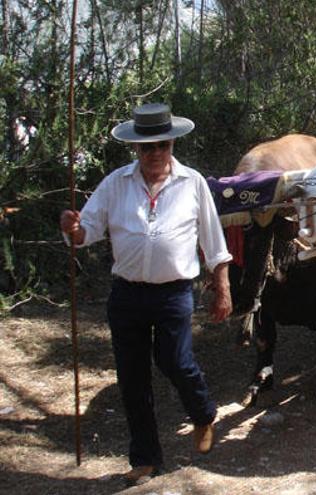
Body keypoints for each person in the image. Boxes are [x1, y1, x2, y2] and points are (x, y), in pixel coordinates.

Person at [59, 103, 232, 485]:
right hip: (126, 296)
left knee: (175, 361)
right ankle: (146, 459)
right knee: (132, 379)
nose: (155, 153)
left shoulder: (193, 183)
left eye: (162, 145)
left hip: (173, 294)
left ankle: (203, 412)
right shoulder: (116, 183)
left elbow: (214, 242)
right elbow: (87, 230)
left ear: (172, 144)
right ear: (136, 149)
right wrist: (72, 229)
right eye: (147, 147)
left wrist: (222, 288)